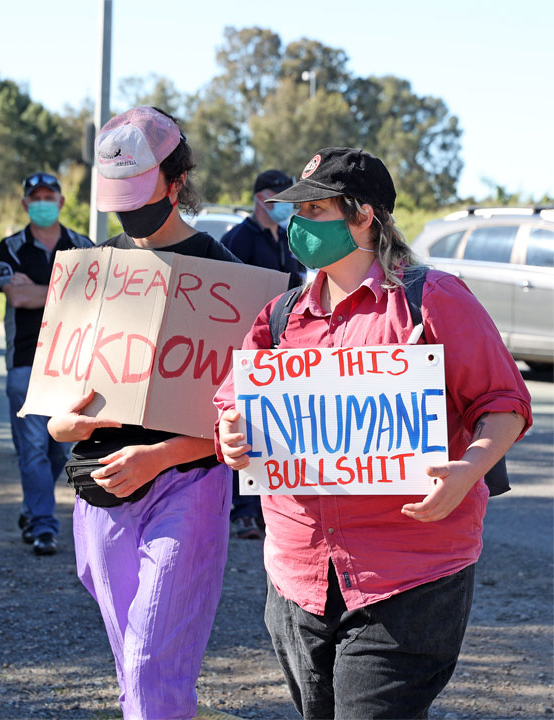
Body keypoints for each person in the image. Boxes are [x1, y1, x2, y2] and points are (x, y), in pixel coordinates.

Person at [214, 147, 532, 720]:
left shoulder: (432, 301)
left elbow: (504, 403)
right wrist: (232, 433)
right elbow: (232, 404)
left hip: (408, 578)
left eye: (314, 209)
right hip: (297, 579)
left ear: (363, 216)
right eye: (296, 210)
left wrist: (468, 470)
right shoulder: (280, 317)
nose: (297, 224)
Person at [47, 106, 240, 720]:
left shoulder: (230, 277)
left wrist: (160, 455)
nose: (128, 211)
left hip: (188, 485)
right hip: (100, 492)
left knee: (150, 664)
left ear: (177, 181)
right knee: (136, 664)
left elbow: (249, 416)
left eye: (140, 191)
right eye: (118, 196)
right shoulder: (91, 269)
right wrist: (63, 427)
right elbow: (56, 409)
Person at [0, 172, 92, 556]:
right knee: (32, 448)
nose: (42, 202)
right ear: (24, 204)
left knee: (58, 450)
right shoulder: (11, 247)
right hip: (24, 362)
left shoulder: (82, 245)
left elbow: (94, 297)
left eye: (49, 196)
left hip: (73, 363)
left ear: (62, 202)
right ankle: (43, 526)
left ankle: (32, 507)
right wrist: (66, 288)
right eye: (35, 197)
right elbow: (16, 298)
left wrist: (39, 290)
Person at [221, 169, 307, 539]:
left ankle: (265, 508)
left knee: (272, 427)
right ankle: (242, 511)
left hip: (281, 345)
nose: (284, 205)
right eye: (278, 196)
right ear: (261, 198)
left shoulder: (288, 237)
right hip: (246, 346)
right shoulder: (236, 239)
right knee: (243, 426)